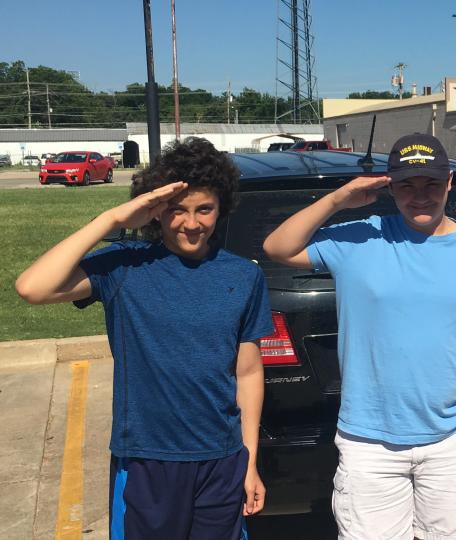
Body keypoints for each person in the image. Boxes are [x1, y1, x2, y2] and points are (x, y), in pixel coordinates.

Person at [262, 133, 456, 540]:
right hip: (369, 446)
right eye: (407, 185)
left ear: (449, 182)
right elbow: (278, 247)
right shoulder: (361, 237)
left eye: (431, 184)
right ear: (390, 187)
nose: (420, 196)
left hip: (454, 441)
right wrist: (338, 199)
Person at [16, 137, 273, 539]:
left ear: (221, 208)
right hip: (147, 458)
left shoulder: (243, 276)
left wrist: (250, 459)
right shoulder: (125, 267)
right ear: (155, 212)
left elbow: (248, 371)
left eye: (204, 209)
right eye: (177, 210)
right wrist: (112, 219)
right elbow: (32, 287)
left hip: (221, 459)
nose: (192, 223)